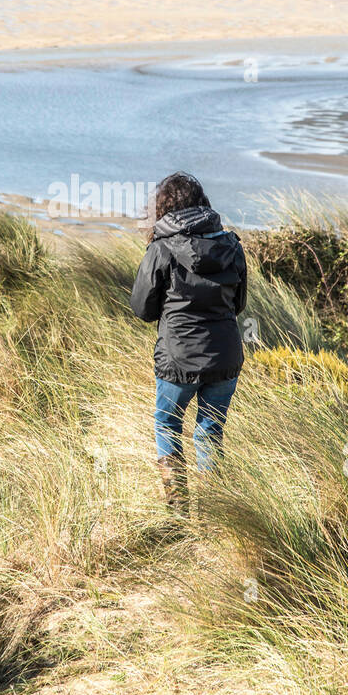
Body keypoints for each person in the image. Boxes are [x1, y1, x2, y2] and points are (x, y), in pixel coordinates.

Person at [130, 172, 247, 515]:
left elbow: (142, 309)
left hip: (178, 359)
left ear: (162, 208)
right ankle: (214, 516)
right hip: (225, 356)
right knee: (210, 433)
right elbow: (238, 305)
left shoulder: (161, 247)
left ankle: (178, 512)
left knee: (168, 424)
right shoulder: (232, 245)